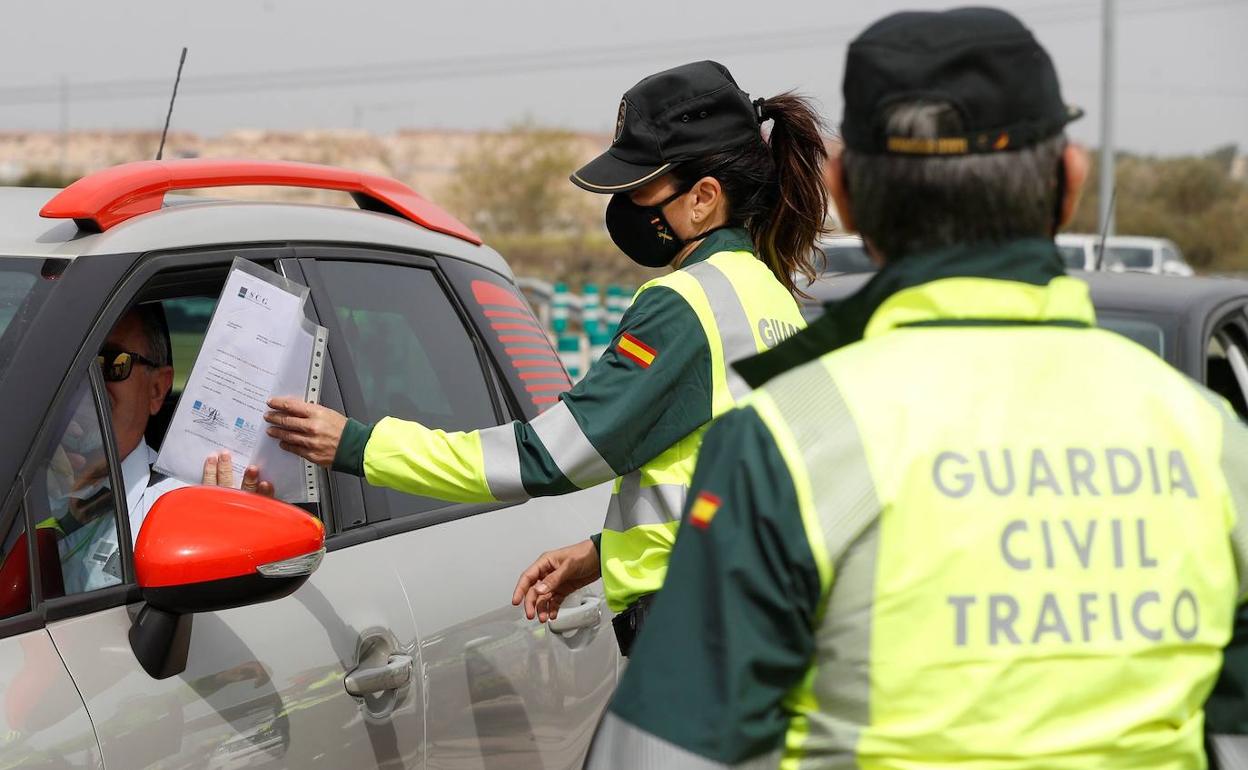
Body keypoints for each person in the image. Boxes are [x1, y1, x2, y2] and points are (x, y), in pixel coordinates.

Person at [584, 8, 1248, 769]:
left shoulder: (784, 443)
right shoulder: (1216, 443)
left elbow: (659, 753)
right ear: (1070, 181)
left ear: (847, 194)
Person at [262, 60, 826, 654]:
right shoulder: (770, 298)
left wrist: (358, 447)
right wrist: (603, 553)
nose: (625, 208)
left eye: (638, 190)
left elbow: (547, 458)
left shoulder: (684, 306)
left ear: (704, 199)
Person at [48, 304, 271, 593]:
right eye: (68, 364)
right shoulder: (18, 475)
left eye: (112, 362)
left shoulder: (186, 513)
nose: (83, 383)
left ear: (157, 389)